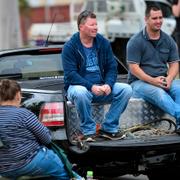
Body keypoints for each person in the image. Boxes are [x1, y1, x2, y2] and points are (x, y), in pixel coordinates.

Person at [62, 10, 132, 141]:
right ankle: (89, 131)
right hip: (78, 88)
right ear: (81, 27)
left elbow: (112, 67)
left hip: (101, 86)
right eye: (92, 25)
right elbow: (71, 75)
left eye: (96, 24)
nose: (96, 27)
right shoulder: (70, 47)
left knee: (126, 89)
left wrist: (108, 84)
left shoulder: (103, 42)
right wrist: (91, 87)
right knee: (81, 92)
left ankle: (109, 128)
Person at [0, 79, 82, 179]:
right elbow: (46, 138)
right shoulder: (24, 114)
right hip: (29, 162)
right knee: (62, 169)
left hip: (4, 169)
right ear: (18, 95)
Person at [126, 5, 180, 133]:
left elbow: (174, 63)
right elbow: (134, 68)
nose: (159, 21)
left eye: (160, 17)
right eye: (154, 18)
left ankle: (179, 126)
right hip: (138, 83)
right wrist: (153, 81)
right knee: (158, 93)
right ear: (146, 19)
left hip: (162, 79)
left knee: (178, 89)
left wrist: (170, 78)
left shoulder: (168, 40)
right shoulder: (135, 41)